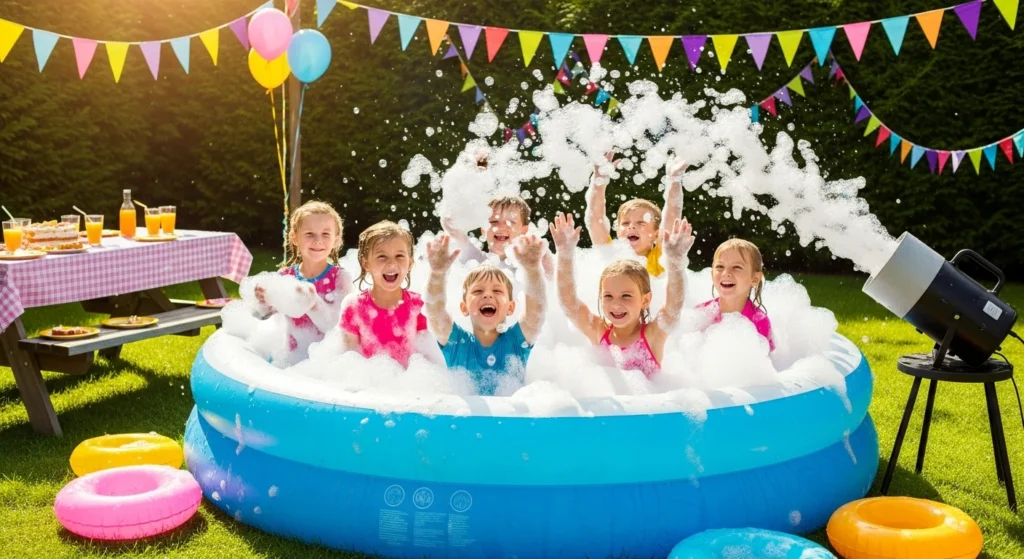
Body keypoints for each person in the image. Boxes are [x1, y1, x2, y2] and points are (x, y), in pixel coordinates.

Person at [550, 212, 694, 378]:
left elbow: (673, 308)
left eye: (626, 296)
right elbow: (569, 303)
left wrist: (675, 263)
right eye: (608, 296)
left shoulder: (652, 335)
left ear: (645, 300)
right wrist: (564, 253)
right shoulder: (598, 331)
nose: (616, 304)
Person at [424, 233, 547, 395]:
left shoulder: (516, 342)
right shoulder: (457, 344)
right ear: (464, 307)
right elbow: (435, 312)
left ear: (510, 307)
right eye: (478, 291)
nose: (488, 295)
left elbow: (536, 313)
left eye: (497, 290)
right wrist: (437, 274)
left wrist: (532, 270)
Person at [253, 201, 352, 361]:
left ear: (336, 239)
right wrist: (263, 301)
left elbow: (337, 327)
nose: (318, 240)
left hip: (326, 361)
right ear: (294, 237)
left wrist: (313, 304)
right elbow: (260, 317)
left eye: (325, 234)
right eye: (309, 234)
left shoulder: (340, 278)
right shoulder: (285, 276)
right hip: (290, 358)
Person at [338, 221, 441, 368]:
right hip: (367, 383)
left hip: (408, 383)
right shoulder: (354, 307)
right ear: (366, 263)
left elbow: (429, 359)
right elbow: (348, 359)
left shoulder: (418, 306)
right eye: (382, 256)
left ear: (410, 263)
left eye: (399, 256)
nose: (392, 263)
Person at [585, 154, 687, 277]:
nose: (632, 227)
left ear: (656, 234)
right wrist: (598, 180)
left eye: (641, 223)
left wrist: (674, 181)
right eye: (625, 223)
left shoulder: (658, 258)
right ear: (617, 231)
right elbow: (595, 219)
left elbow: (671, 218)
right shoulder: (609, 254)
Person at [698, 238, 774, 350]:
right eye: (720, 267)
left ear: (755, 278)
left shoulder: (759, 322)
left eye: (737, 267)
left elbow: (765, 363)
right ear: (712, 274)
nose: (726, 273)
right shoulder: (702, 314)